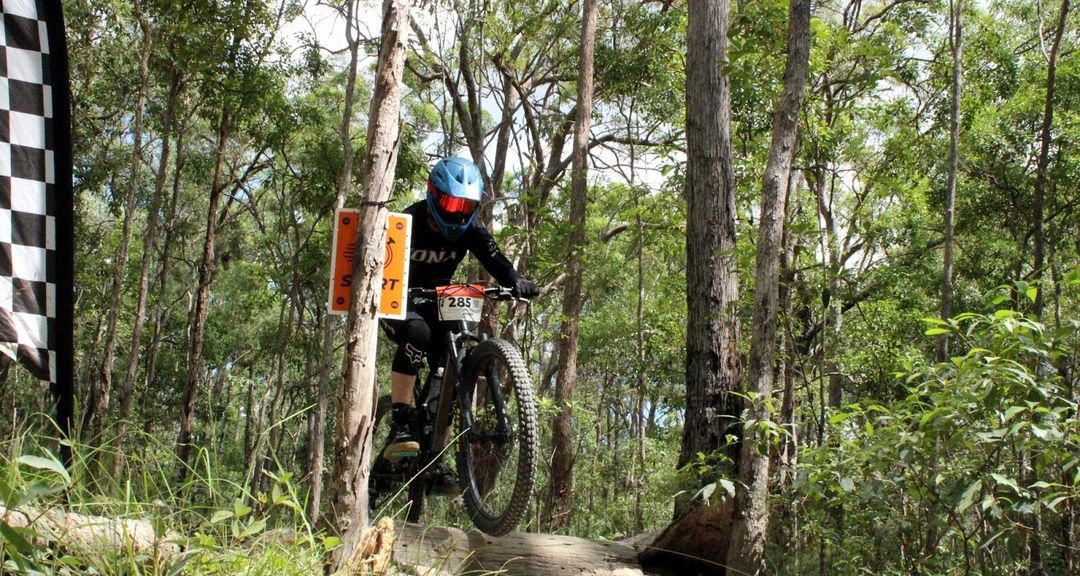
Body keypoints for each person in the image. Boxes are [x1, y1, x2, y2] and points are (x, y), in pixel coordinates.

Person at [379, 156, 538, 488]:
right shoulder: (409, 220)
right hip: (401, 302)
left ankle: (436, 458)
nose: (457, 213)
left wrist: (516, 280)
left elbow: (495, 258)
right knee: (418, 333)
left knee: (457, 361)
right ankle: (402, 421)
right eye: (451, 203)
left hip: (441, 300)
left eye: (466, 206)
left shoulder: (471, 229)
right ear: (433, 195)